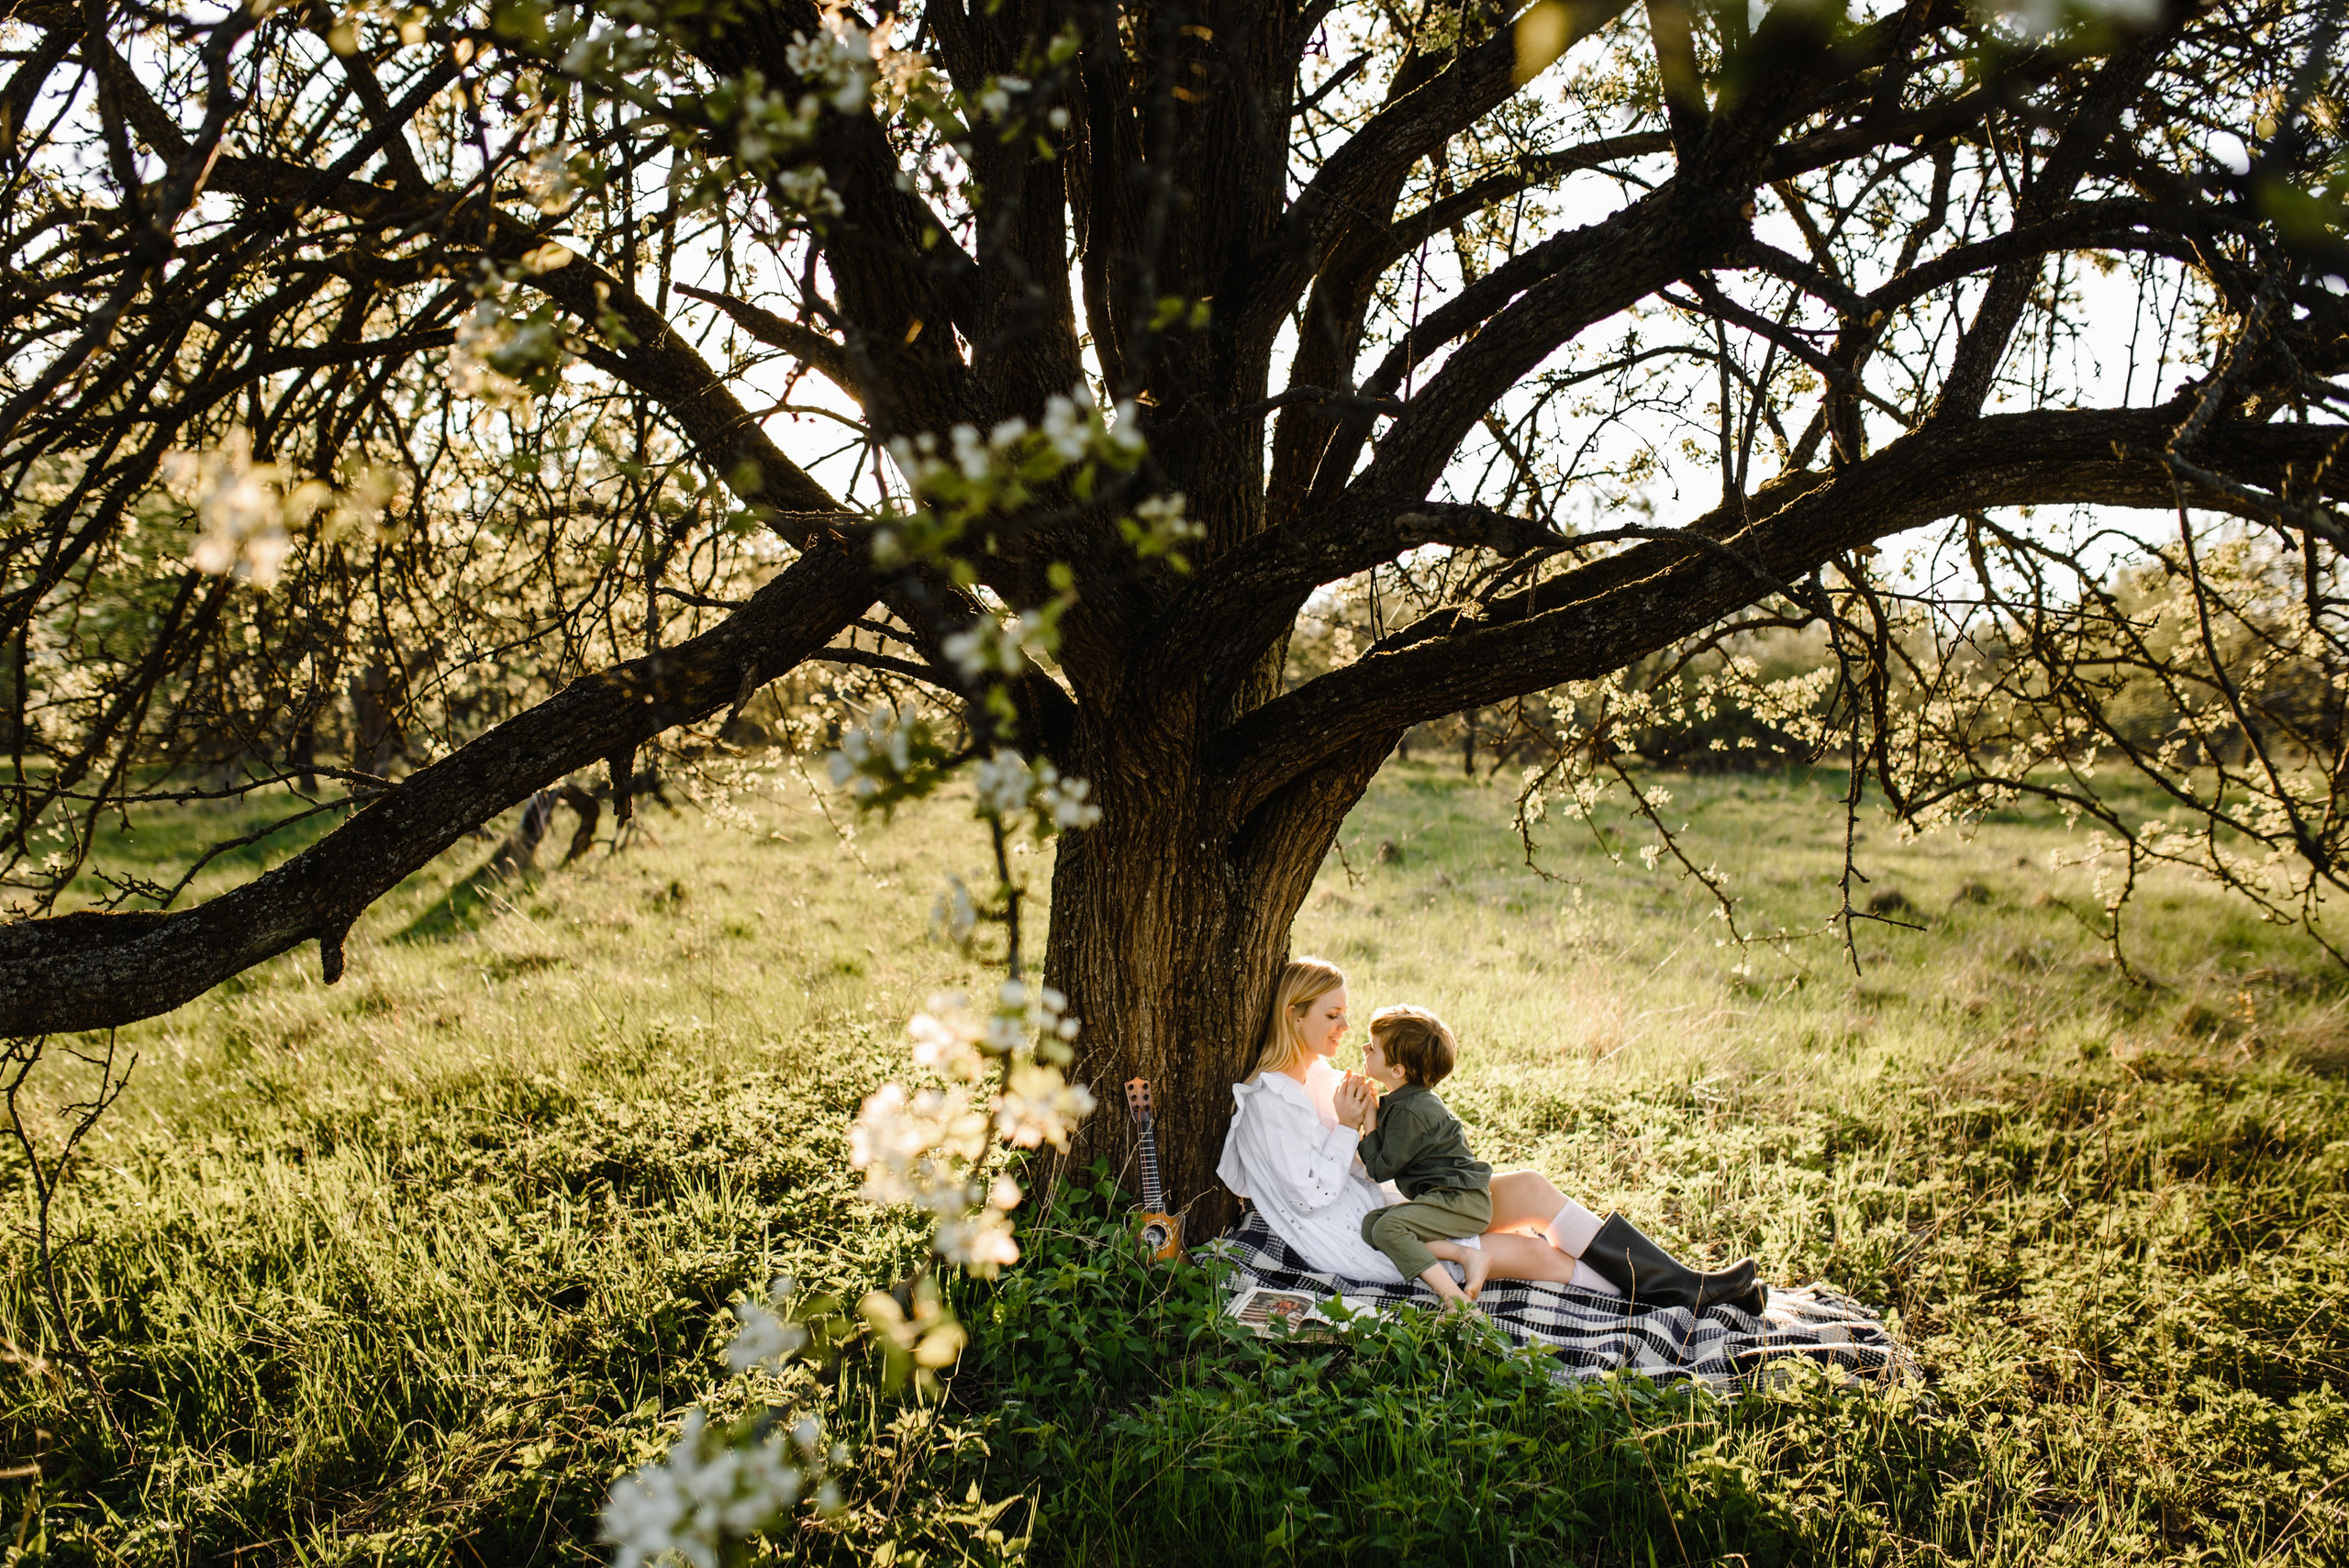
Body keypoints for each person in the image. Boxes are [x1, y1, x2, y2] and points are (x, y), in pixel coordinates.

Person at [1216, 957, 1765, 1314]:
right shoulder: (1269, 1099)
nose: (1344, 1029)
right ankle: (1677, 1300)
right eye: (1332, 1016)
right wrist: (1348, 1128)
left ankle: (1685, 1284)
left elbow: (1368, 1154)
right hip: (1366, 1236)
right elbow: (1309, 1196)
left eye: (1346, 1016)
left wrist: (1364, 1123)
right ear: (1293, 1016)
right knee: (1537, 1255)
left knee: (1528, 1186)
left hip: (1394, 1202)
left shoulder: (1318, 1074)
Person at [1351, 1005, 1494, 1307]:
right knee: (1372, 1227)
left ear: (1397, 1070)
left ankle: (1454, 1299)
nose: (1365, 1047)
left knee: (1388, 1228)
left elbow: (1378, 1169)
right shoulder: (1408, 1101)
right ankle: (1465, 1255)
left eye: (1373, 1047)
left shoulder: (1410, 1112)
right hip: (1448, 1198)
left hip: (1460, 1201)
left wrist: (1369, 1121)